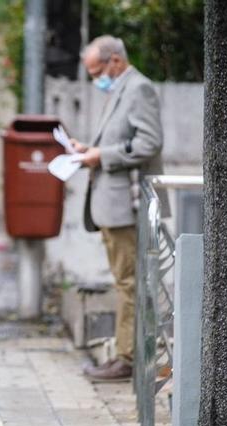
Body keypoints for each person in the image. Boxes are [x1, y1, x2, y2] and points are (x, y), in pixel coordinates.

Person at [71, 35, 164, 382]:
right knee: (124, 281)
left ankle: (128, 358)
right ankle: (124, 355)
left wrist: (102, 156)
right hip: (111, 203)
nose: (96, 79)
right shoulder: (120, 89)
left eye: (96, 71)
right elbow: (121, 139)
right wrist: (88, 151)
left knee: (128, 282)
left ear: (114, 61)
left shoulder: (139, 89)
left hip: (126, 204)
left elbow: (149, 141)